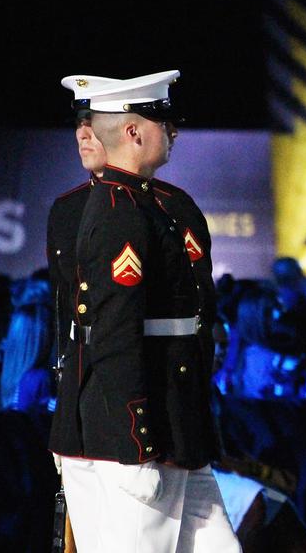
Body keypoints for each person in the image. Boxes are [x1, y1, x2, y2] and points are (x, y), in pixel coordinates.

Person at [48, 71, 239, 552]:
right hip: (138, 430)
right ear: (134, 132)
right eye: (162, 123)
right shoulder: (118, 209)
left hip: (175, 422)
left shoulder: (152, 204)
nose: (172, 133)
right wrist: (136, 441)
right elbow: (110, 332)